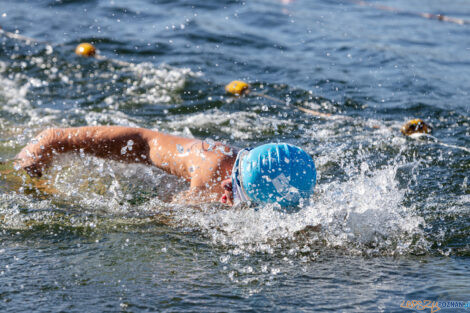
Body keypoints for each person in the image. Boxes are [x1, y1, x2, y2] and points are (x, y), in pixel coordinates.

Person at [16, 126, 317, 208]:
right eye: (234, 178)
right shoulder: (212, 171)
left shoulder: (298, 189)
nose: (227, 188)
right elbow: (161, 216)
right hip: (145, 146)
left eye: (238, 191)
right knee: (143, 145)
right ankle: (50, 139)